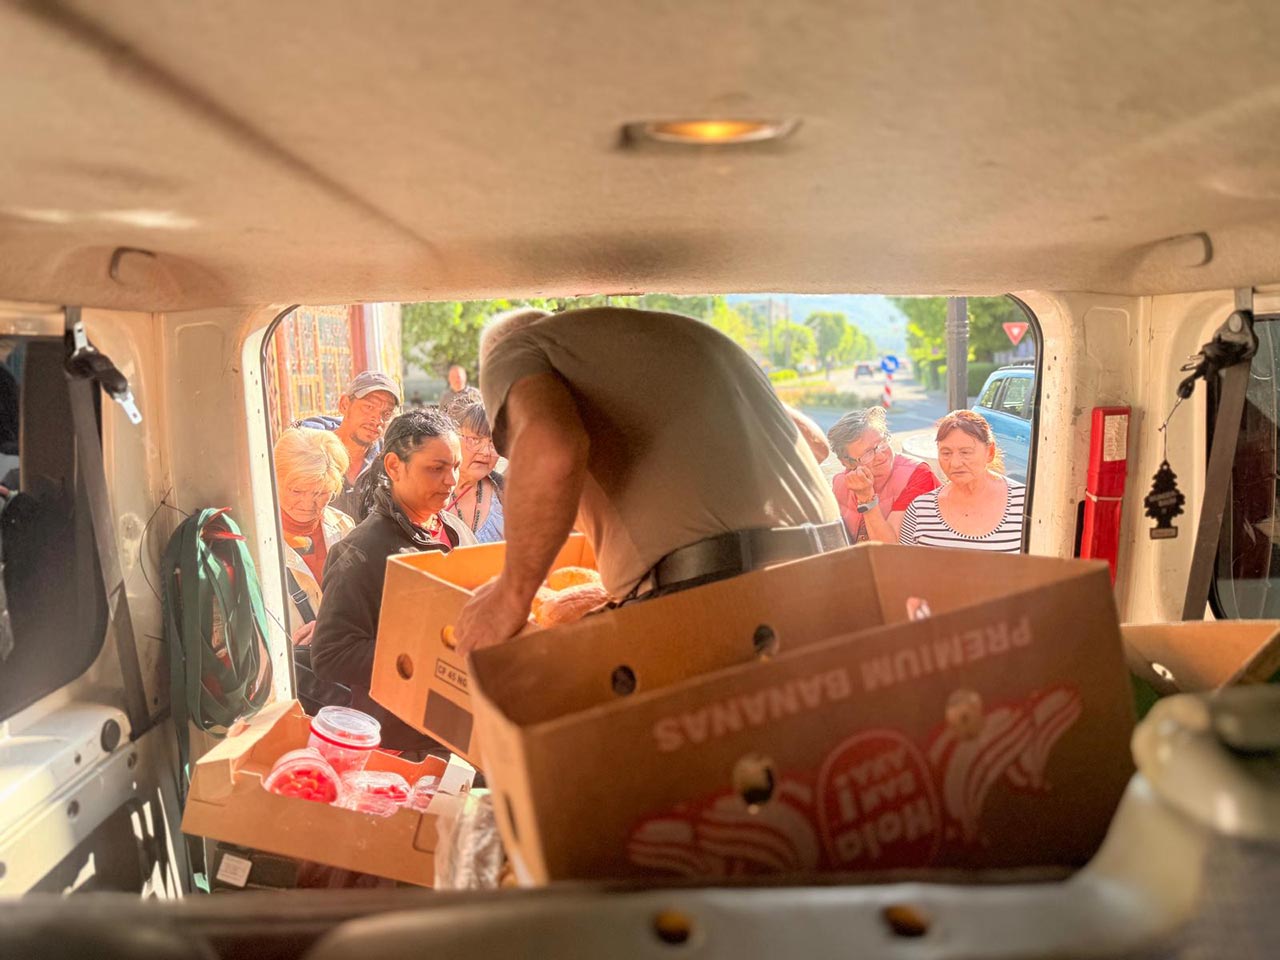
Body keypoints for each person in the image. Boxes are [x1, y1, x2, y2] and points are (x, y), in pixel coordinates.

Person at [454, 306, 845, 654]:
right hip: (835, 574)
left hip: (719, 592)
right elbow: (814, 444)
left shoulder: (515, 349)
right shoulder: (683, 342)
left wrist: (510, 596)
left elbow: (550, 450)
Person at [310, 408, 477, 756]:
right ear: (394, 466)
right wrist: (424, 655)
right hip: (403, 745)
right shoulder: (361, 551)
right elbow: (331, 654)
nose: (451, 480)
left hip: (463, 728)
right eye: (436, 468)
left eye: (455, 467)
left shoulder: (456, 531)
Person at [273, 427, 357, 713]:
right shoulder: (256, 534)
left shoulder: (344, 527)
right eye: (297, 490)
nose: (309, 503)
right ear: (275, 480)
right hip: (285, 688)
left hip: (339, 682)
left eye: (321, 492)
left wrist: (330, 626)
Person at [898, 409, 1026, 552]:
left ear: (990, 452)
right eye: (946, 453)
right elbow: (904, 564)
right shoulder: (921, 510)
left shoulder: (1025, 503)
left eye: (965, 452)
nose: (955, 463)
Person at [294, 371, 401, 518]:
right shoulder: (307, 453)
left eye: (386, 414)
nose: (377, 420)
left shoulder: (388, 464)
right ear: (344, 404)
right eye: (369, 407)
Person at [827, 406, 939, 542]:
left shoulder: (917, 474)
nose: (880, 456)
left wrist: (867, 500)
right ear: (847, 463)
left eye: (881, 443)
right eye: (868, 453)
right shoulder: (840, 483)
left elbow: (890, 548)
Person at [444, 396, 505, 543]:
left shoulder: (507, 494)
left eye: (493, 442)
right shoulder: (428, 492)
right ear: (452, 438)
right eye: (475, 440)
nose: (486, 452)